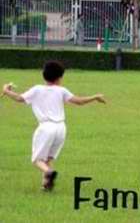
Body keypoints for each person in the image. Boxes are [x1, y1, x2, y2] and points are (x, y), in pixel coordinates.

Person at [2, 61, 106, 191]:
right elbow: (79, 102)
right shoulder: (61, 90)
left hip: (46, 128)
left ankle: (48, 173)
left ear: (44, 75)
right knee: (48, 158)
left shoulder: (37, 89)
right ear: (59, 78)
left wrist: (6, 91)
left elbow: (19, 98)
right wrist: (95, 97)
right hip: (61, 128)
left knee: (37, 160)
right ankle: (46, 185)